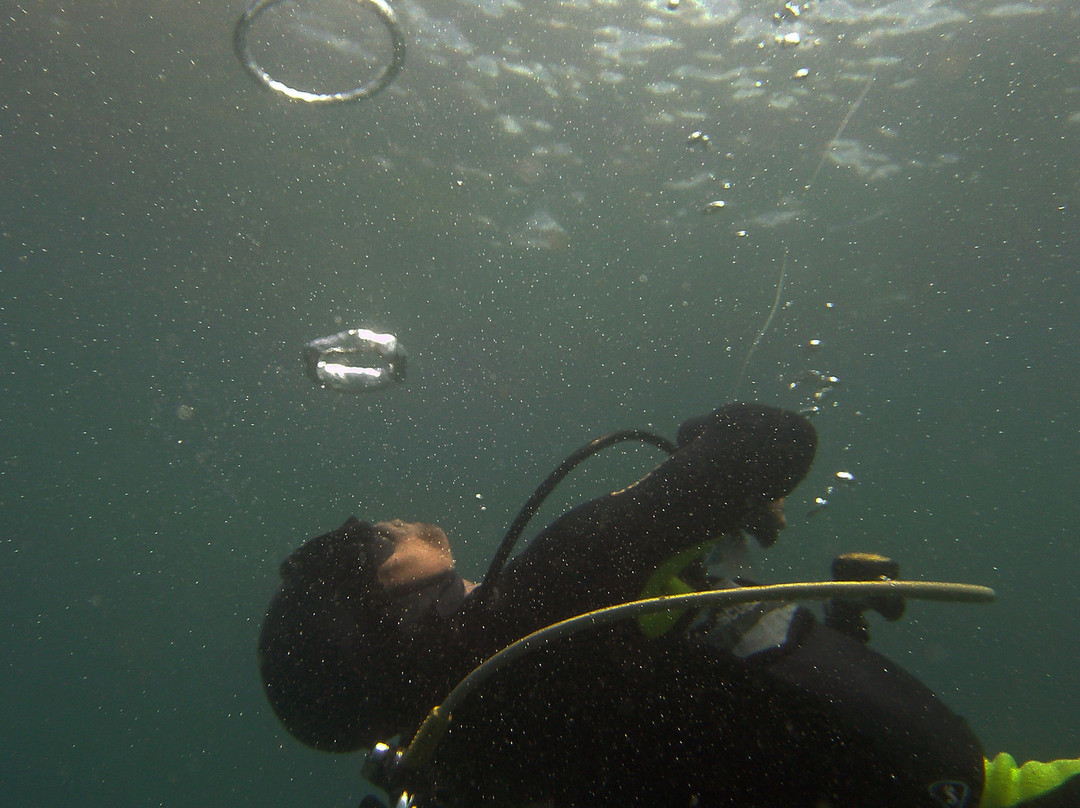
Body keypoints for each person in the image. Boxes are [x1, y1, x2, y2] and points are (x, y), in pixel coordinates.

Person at [257, 403, 1080, 808]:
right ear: (392, 624)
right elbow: (772, 440)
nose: (378, 524)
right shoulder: (559, 589)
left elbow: (691, 736)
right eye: (364, 550)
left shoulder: (460, 770)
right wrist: (702, 445)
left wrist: (836, 628)